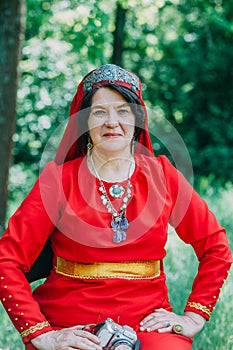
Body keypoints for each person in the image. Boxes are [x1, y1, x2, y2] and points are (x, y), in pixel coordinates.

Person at [0, 64, 232, 350]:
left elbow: (216, 248)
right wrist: (43, 334)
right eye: (99, 112)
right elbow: (6, 260)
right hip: (70, 327)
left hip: (147, 325)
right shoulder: (57, 181)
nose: (112, 122)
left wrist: (195, 316)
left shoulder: (163, 175)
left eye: (123, 111)